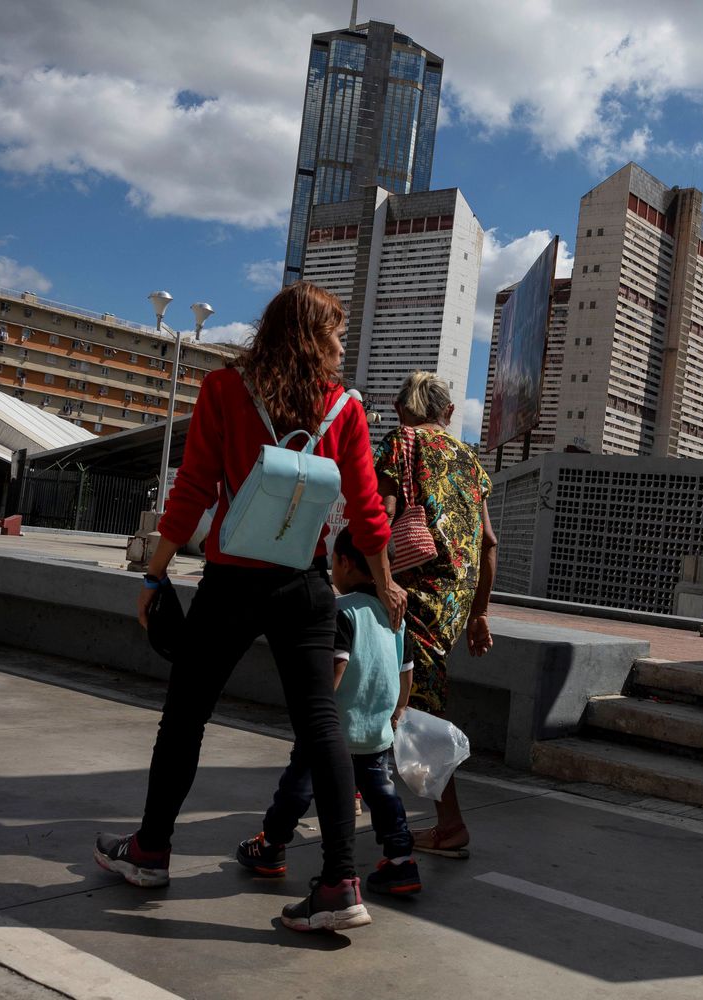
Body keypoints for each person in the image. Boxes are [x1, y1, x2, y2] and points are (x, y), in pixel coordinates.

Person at [95, 281, 405, 933]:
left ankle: (151, 852)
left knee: (185, 716)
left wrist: (154, 576)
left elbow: (192, 493)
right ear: (319, 336)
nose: (343, 342)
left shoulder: (225, 390)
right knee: (322, 725)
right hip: (306, 584)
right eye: (338, 331)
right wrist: (387, 584)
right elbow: (369, 513)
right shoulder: (344, 406)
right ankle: (340, 882)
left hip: (232, 581)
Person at [235, 525, 420, 897]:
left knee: (297, 787)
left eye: (334, 561)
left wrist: (312, 713)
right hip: (375, 731)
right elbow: (406, 672)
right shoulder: (394, 615)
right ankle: (401, 861)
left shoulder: (339, 611)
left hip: (332, 728)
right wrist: (397, 712)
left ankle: (270, 846)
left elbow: (335, 668)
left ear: (346, 563)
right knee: (383, 794)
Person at [374, 372, 496, 858]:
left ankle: (450, 826)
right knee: (407, 700)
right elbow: (488, 544)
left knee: (414, 710)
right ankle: (363, 787)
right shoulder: (469, 458)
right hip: (452, 603)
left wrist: (379, 583)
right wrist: (478, 614)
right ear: (446, 413)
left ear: (402, 410)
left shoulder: (400, 442)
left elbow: (380, 518)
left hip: (409, 595)